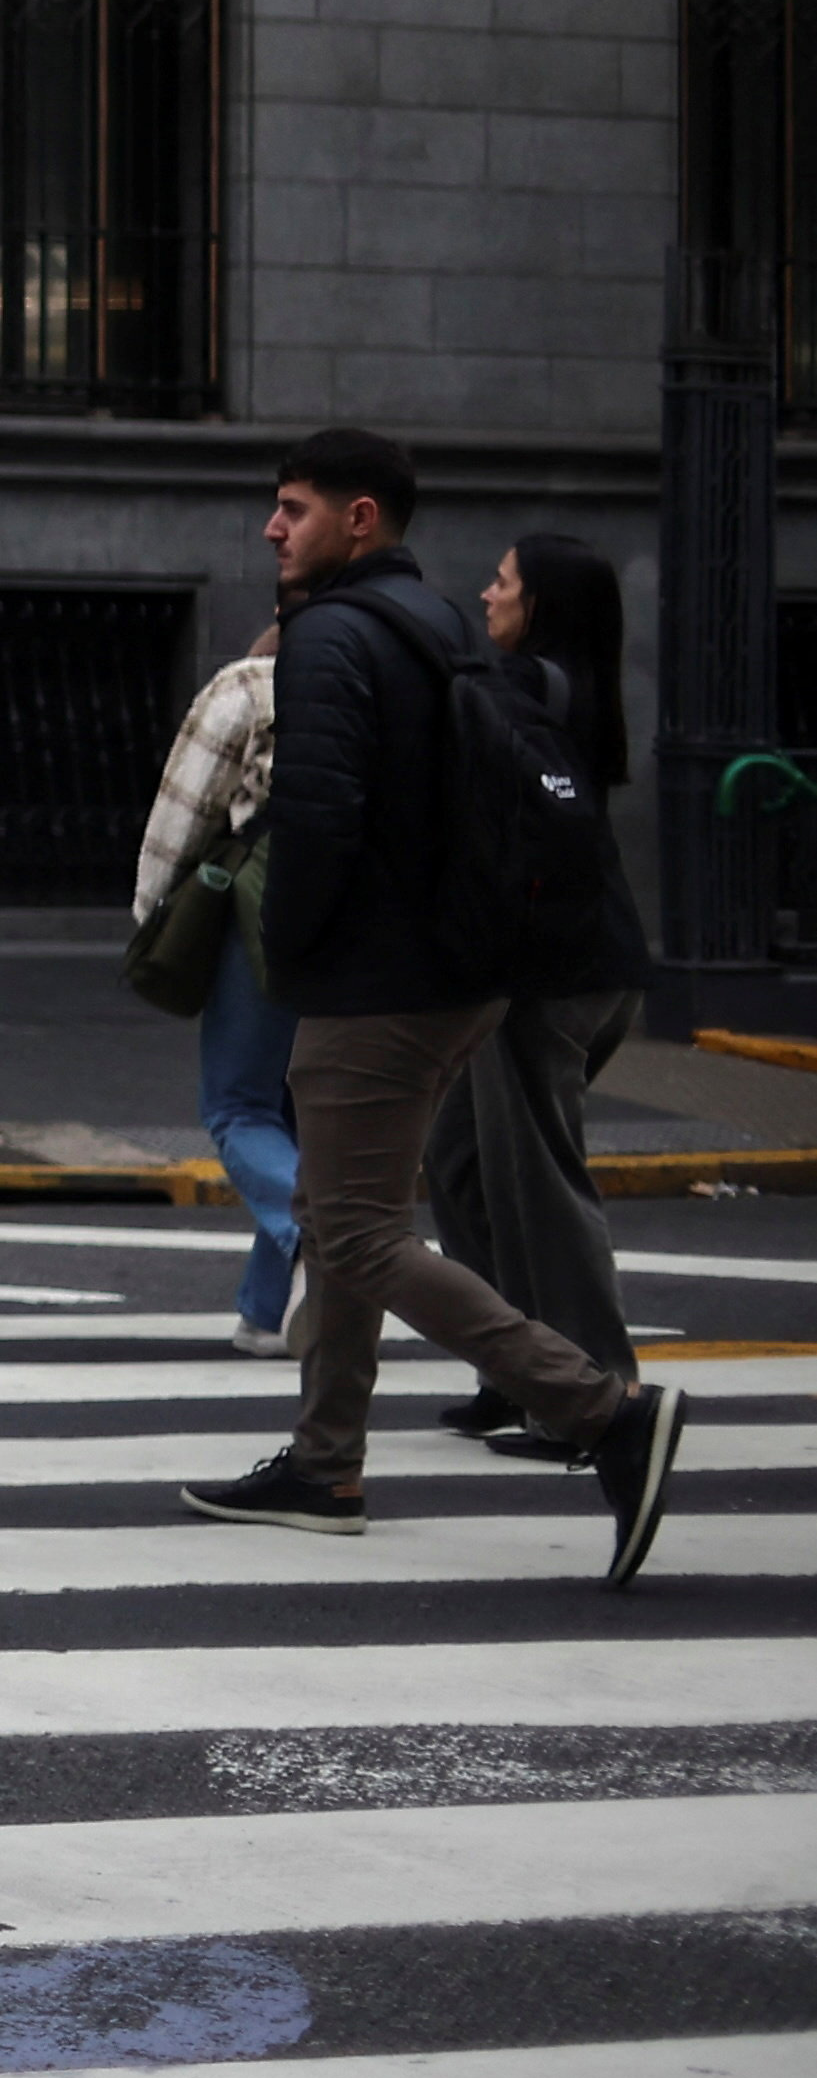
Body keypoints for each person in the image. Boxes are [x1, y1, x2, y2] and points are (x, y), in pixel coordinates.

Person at [179, 429, 682, 1585]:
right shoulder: (444, 622)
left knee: (354, 1229)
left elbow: (316, 813)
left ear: (360, 519)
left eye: (294, 509)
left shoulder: (331, 634)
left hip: (377, 981)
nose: (270, 527)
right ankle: (323, 1463)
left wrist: (288, 955)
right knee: (339, 1199)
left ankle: (601, 1411)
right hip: (462, 971)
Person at [432, 532, 650, 1448]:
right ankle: (519, 1367)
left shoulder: (525, 693)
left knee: (540, 1185)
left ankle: (595, 1396)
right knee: (460, 1165)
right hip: (583, 967)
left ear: (541, 607)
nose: (487, 594)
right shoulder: (572, 696)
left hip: (544, 981)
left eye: (504, 582)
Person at [136, 623, 301, 1353]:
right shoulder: (402, 681)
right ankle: (266, 1312)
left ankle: (321, 1240)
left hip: (264, 904)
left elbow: (185, 808)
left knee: (237, 1103)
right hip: (372, 918)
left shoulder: (252, 685)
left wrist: (154, 918)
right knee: (298, 1112)